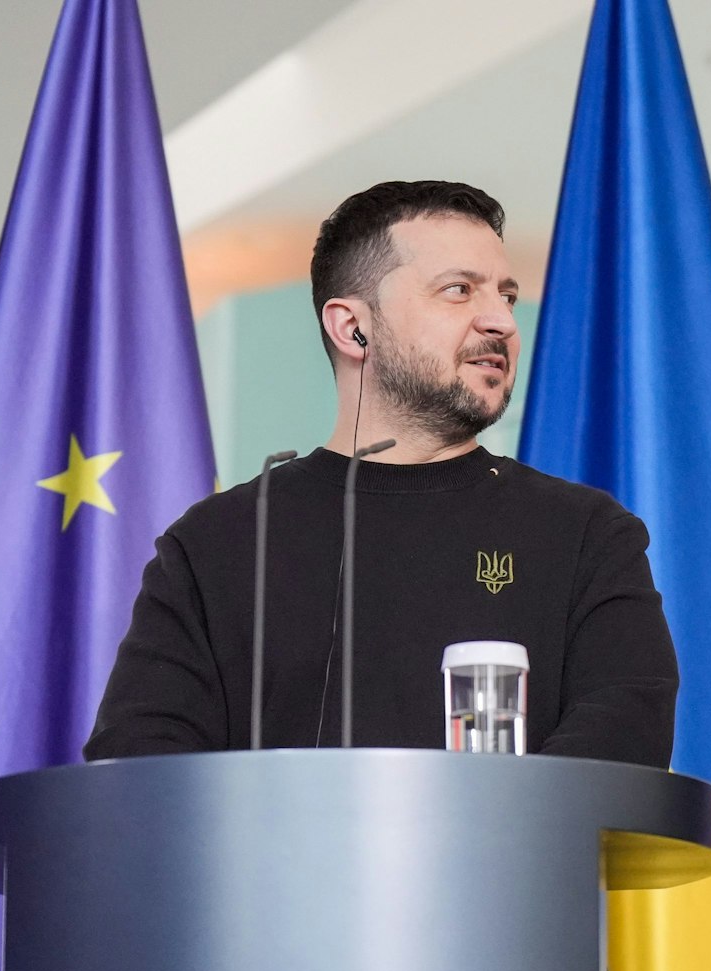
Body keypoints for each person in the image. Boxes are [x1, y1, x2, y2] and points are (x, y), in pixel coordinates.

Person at [85, 181, 676, 765]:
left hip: (518, 863)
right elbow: (139, 768)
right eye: (458, 291)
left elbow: (623, 742)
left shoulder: (585, 535)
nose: (500, 321)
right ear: (352, 328)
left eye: (507, 296)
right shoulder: (219, 543)